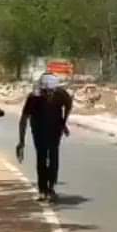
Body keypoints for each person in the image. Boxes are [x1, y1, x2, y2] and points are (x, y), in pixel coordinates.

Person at [17, 72, 73, 203]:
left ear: (55, 89)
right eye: (45, 92)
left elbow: (69, 106)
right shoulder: (34, 97)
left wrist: (64, 123)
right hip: (38, 129)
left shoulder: (61, 94)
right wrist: (21, 141)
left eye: (51, 92)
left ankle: (51, 187)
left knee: (53, 156)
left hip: (55, 128)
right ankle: (42, 189)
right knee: (41, 157)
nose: (48, 95)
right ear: (41, 89)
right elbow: (23, 119)